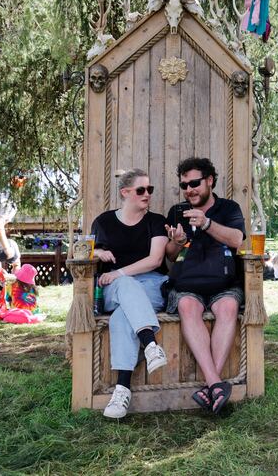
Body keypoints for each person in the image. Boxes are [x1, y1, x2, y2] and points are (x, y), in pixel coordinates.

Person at [164, 157, 246, 415]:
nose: (189, 190)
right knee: (187, 306)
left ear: (210, 181)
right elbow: (169, 255)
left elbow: (237, 240)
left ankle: (210, 386)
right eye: (184, 185)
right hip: (188, 283)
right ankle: (216, 385)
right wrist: (177, 242)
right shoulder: (177, 211)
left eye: (195, 183)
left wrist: (207, 223)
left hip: (223, 282)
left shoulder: (228, 208)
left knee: (229, 307)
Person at [91, 169, 170, 419]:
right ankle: (150, 344)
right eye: (141, 190)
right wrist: (96, 254)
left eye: (150, 190)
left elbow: (155, 260)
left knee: (121, 317)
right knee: (126, 286)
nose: (147, 194)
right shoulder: (103, 221)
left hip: (151, 285)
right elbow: (82, 249)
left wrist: (119, 272)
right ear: (125, 193)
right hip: (114, 288)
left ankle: (121, 390)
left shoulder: (155, 221)